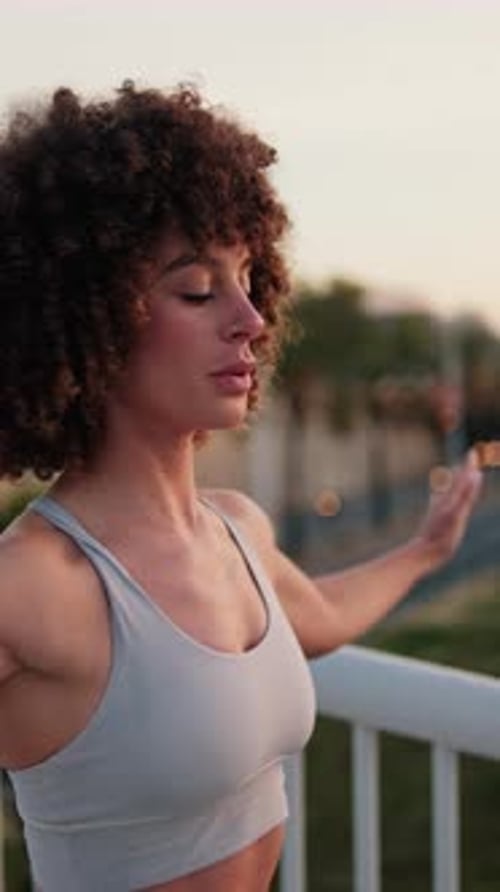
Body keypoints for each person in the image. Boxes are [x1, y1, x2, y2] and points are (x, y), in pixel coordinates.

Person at [0, 82, 482, 892]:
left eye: (250, 277)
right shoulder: (34, 585)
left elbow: (319, 619)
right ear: (83, 318)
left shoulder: (235, 527)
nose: (250, 320)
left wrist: (425, 552)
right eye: (196, 289)